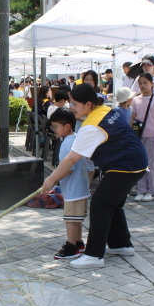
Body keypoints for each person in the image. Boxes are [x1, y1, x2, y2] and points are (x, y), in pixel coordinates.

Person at [40, 84, 148, 269]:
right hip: (134, 162)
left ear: (88, 104)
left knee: (99, 205)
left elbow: (71, 159)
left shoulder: (91, 126)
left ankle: (94, 255)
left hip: (126, 165)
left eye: (75, 104)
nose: (71, 107)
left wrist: (50, 179)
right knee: (112, 203)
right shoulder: (104, 111)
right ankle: (121, 244)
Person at [49, 108, 92, 260]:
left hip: (73, 189)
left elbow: (68, 168)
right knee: (77, 219)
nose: (54, 130)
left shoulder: (67, 143)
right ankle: (79, 243)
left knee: (70, 220)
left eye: (56, 126)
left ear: (67, 126)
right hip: (81, 188)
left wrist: (53, 179)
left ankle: (71, 247)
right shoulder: (76, 139)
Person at [132, 73, 154, 202]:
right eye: (140, 83)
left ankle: (152, 190)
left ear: (152, 84)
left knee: (152, 164)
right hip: (139, 136)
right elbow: (132, 118)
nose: (142, 85)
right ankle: (141, 189)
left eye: (145, 82)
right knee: (140, 163)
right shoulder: (136, 100)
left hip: (153, 135)